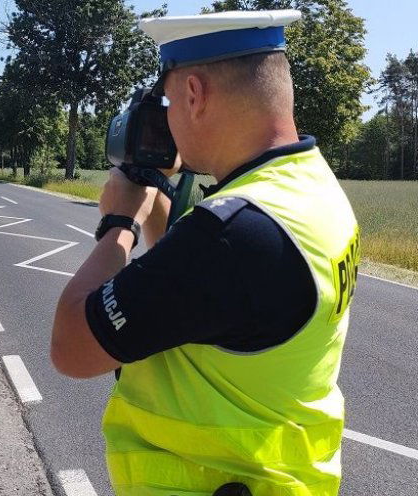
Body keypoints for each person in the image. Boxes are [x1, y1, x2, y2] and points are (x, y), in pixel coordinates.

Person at [49, 9, 360, 496]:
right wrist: (155, 199)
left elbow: (71, 347)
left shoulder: (231, 237)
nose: (166, 119)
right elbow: (194, 300)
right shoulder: (312, 191)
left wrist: (117, 224)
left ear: (194, 95)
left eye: (169, 102)